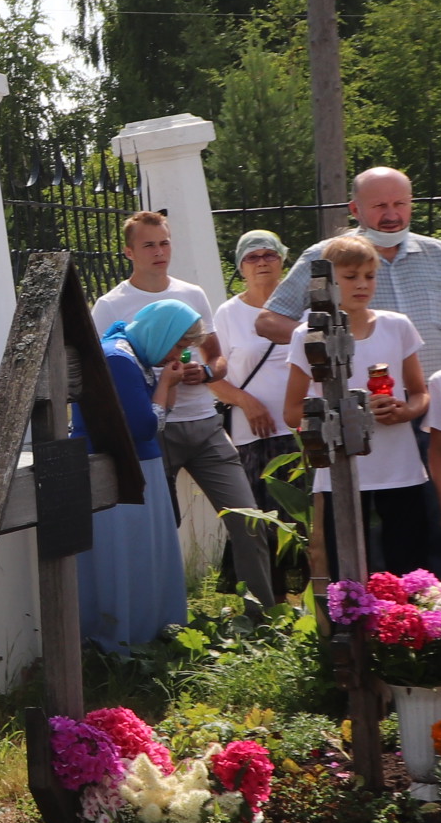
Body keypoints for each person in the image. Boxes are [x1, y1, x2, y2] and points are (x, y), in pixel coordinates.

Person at [91, 211, 276, 609]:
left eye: (165, 242)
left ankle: (263, 619)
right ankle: (162, 620)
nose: (160, 252)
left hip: (205, 425)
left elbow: (219, 361)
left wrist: (204, 372)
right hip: (151, 435)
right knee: (158, 531)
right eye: (149, 245)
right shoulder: (110, 305)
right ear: (128, 252)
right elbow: (104, 373)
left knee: (248, 521)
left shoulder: (191, 294)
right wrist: (159, 379)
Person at [255, 166, 441, 494]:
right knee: (369, 521)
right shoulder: (325, 257)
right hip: (360, 414)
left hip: (434, 407)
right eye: (379, 206)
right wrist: (332, 339)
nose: (391, 215)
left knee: (428, 524)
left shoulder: (437, 255)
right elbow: (268, 321)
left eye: (400, 204)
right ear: (354, 209)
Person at [282, 233, 440, 580]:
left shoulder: (396, 326)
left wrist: (406, 411)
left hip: (400, 470)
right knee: (348, 577)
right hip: (340, 473)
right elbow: (293, 412)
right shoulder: (308, 335)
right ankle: (349, 634)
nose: (362, 285)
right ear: (328, 281)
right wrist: (348, 413)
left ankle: (412, 633)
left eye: (369, 276)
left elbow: (420, 393)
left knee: (410, 571)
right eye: (350, 277)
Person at [77, 297, 192, 648]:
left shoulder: (134, 356)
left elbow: (157, 419)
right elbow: (143, 426)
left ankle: (154, 629)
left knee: (148, 553)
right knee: (128, 556)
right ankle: (126, 635)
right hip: (120, 472)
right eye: (178, 344)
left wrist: (167, 385)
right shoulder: (118, 358)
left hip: (138, 467)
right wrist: (163, 385)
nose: (179, 354)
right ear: (160, 332)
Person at [211, 230, 297, 581]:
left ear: (283, 260)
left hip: (299, 431)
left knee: (299, 520)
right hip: (252, 435)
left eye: (269, 255)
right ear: (240, 267)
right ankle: (262, 602)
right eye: (252, 257)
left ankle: (308, 605)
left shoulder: (301, 307)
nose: (262, 262)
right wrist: (246, 402)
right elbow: (212, 376)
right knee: (256, 520)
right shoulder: (228, 314)